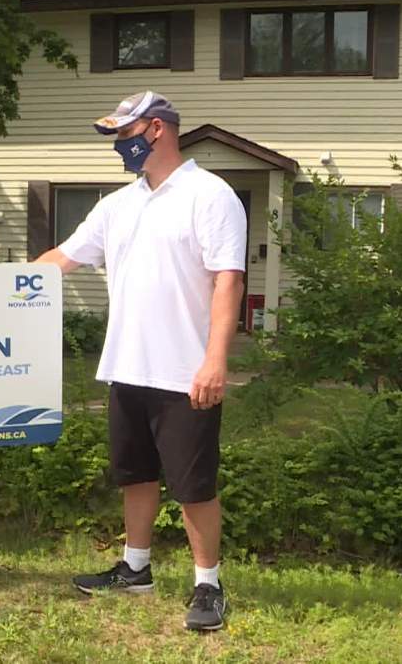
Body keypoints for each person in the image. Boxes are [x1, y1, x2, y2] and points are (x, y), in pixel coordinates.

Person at [37, 91, 246, 631]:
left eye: (124, 136)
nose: (118, 148)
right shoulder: (117, 205)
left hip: (186, 372)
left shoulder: (211, 195)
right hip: (126, 366)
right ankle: (136, 569)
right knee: (136, 475)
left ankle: (208, 584)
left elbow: (229, 280)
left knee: (194, 484)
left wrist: (215, 360)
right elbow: (63, 258)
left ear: (156, 130)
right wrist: (1, 282)